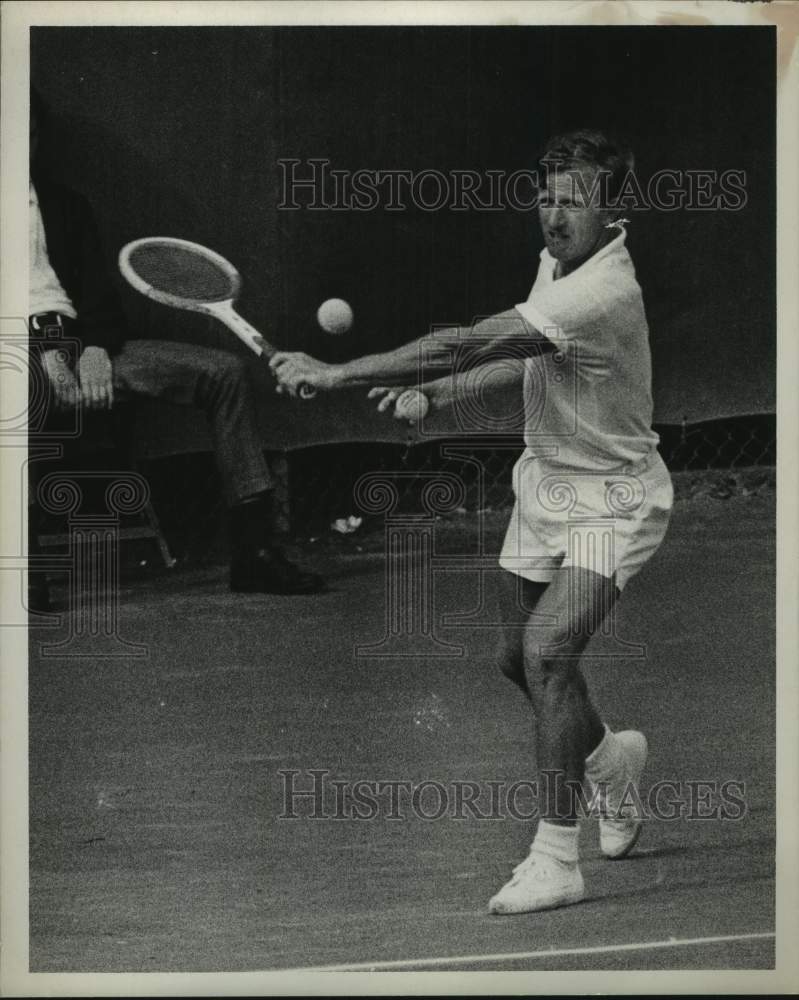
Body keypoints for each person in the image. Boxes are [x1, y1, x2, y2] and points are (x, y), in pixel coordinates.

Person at [269, 130, 673, 913]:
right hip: (546, 486)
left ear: (612, 208)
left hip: (612, 497)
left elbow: (465, 340)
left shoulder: (600, 291)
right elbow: (527, 357)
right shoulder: (559, 265)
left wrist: (338, 372)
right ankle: (609, 766)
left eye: (573, 200)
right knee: (514, 659)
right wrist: (441, 398)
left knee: (549, 650)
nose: (554, 215)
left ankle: (556, 858)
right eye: (545, 197)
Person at [28, 89, 324, 610]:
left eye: (27, 131)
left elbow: (98, 301)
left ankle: (255, 554)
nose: (18, 142)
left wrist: (92, 349)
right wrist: (43, 349)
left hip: (82, 351)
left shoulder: (64, 206)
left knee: (224, 372)